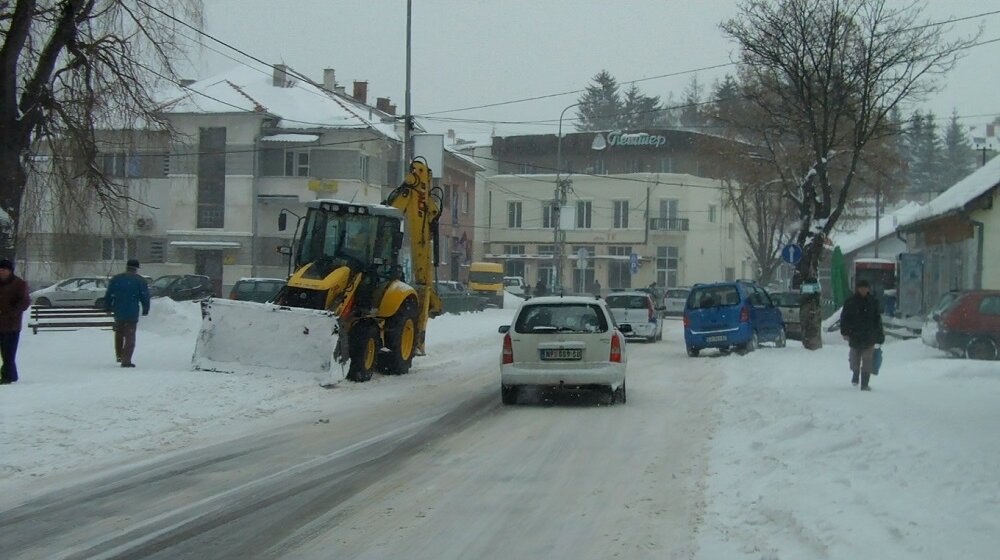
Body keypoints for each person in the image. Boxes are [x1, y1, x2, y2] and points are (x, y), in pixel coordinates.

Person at [104, 259, 151, 368]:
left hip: (118, 310)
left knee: (119, 333)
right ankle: (126, 360)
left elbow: (109, 294)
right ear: (136, 268)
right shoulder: (140, 281)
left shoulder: (116, 279)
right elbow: (144, 296)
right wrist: (145, 309)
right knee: (130, 336)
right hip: (132, 312)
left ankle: (119, 355)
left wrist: (107, 307)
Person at [840, 279, 884, 391]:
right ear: (858, 289)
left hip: (870, 335)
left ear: (868, 289)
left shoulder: (873, 302)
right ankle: (855, 374)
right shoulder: (850, 302)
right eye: (861, 288)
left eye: (865, 288)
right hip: (855, 335)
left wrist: (880, 336)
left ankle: (865, 383)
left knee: (867, 359)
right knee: (855, 358)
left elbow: (877, 320)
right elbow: (844, 318)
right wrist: (845, 332)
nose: (863, 290)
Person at [0, 259, 30, 384]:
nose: (1, 272)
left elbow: (24, 302)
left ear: (10, 271)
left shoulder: (18, 284)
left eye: (3, 270)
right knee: (4, 352)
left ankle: (7, 376)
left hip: (12, 324)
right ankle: (11, 375)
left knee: (9, 352)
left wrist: (12, 312)